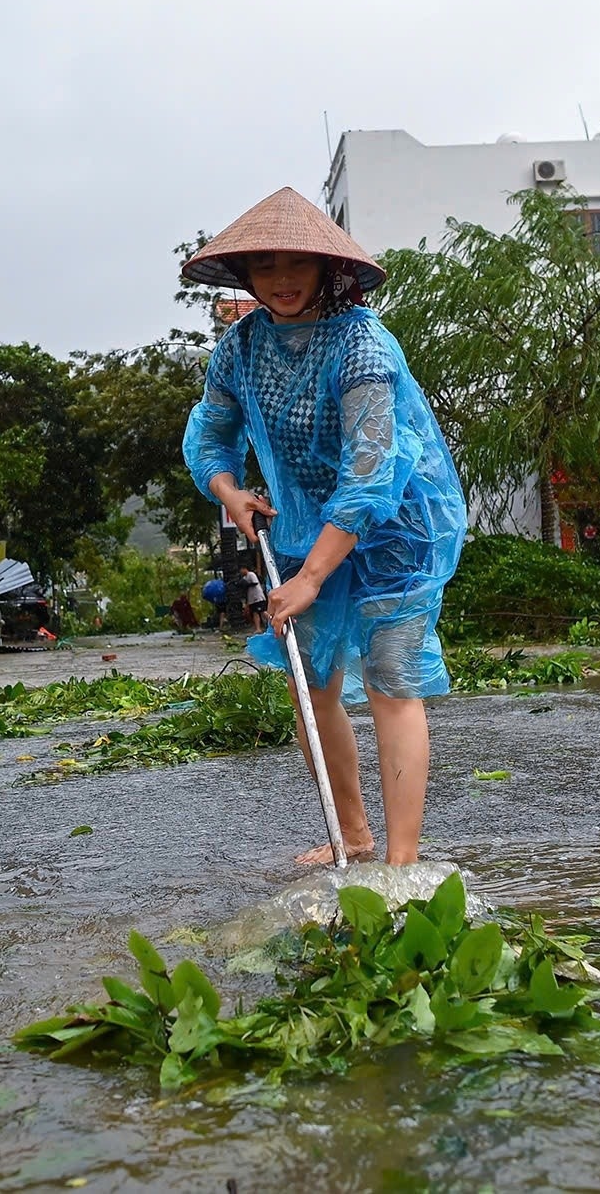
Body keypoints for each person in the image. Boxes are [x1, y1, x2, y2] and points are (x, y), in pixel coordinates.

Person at [181, 187, 467, 866]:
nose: (281, 280)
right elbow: (210, 433)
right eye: (265, 266)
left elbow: (371, 470)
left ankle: (401, 863)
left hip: (397, 527)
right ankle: (354, 835)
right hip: (304, 526)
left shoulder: (363, 343)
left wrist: (311, 577)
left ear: (326, 269)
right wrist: (231, 491)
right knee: (309, 681)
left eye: (296, 264)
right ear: (245, 275)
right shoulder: (241, 349)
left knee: (392, 678)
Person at [239, 565, 266, 634]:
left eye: (241, 570)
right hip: (251, 598)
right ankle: (258, 628)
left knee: (262, 612)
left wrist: (247, 584)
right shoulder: (245, 577)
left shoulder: (251, 574)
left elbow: (255, 583)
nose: (241, 572)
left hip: (257, 596)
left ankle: (270, 623)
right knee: (255, 613)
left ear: (244, 569)